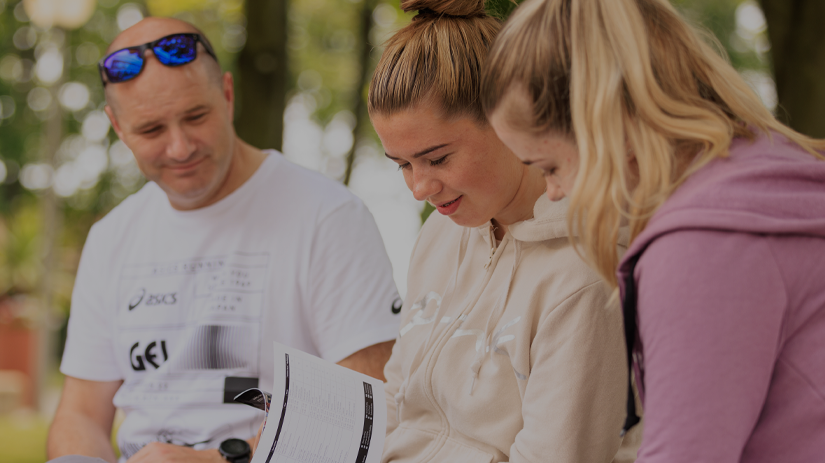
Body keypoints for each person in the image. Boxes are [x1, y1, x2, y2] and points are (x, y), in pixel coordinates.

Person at [47, 17, 403, 463]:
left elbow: (369, 405)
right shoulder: (111, 238)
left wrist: (218, 462)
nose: (179, 148)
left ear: (229, 95)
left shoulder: (327, 216)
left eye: (196, 117)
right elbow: (81, 412)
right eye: (151, 130)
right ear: (117, 127)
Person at [481, 0, 825, 462]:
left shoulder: (701, 250)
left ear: (606, 123)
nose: (554, 193)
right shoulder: (768, 169)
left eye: (551, 166)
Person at [366, 1, 642, 462]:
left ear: (509, 121)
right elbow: (398, 398)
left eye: (437, 159)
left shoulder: (585, 273)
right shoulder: (441, 231)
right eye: (403, 165)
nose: (420, 188)